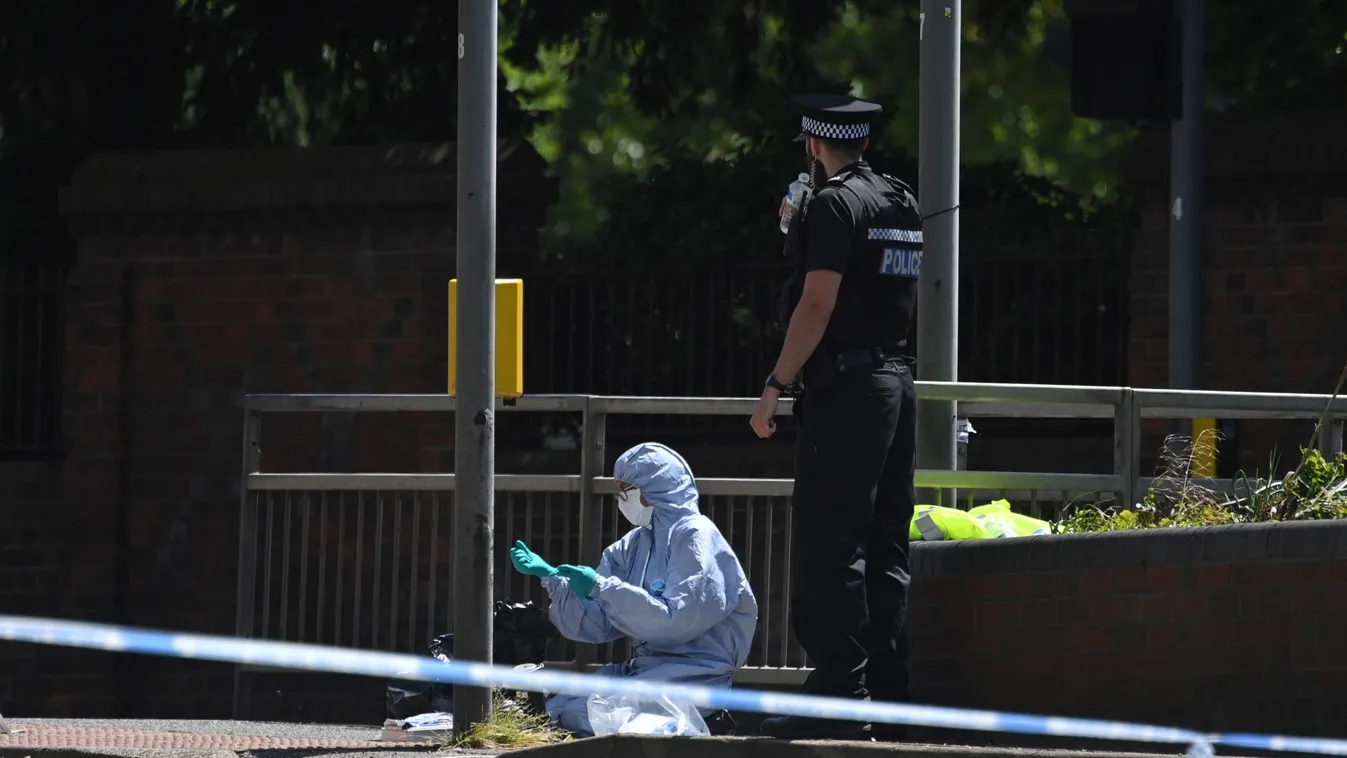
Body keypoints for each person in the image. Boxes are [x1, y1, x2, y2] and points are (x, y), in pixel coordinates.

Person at [749, 93, 922, 742]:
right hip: (896, 383)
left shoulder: (832, 204)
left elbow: (817, 305)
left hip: (847, 389)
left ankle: (838, 698)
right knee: (884, 543)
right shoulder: (897, 200)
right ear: (865, 144)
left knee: (833, 545)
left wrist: (775, 382)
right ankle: (888, 694)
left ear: (814, 146)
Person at [509, 441, 759, 736]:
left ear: (655, 488)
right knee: (553, 710)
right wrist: (553, 579)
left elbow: (675, 621)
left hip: (695, 677)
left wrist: (602, 588)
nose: (621, 497)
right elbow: (598, 625)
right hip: (646, 670)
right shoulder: (633, 545)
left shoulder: (696, 536)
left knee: (583, 715)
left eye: (627, 488)